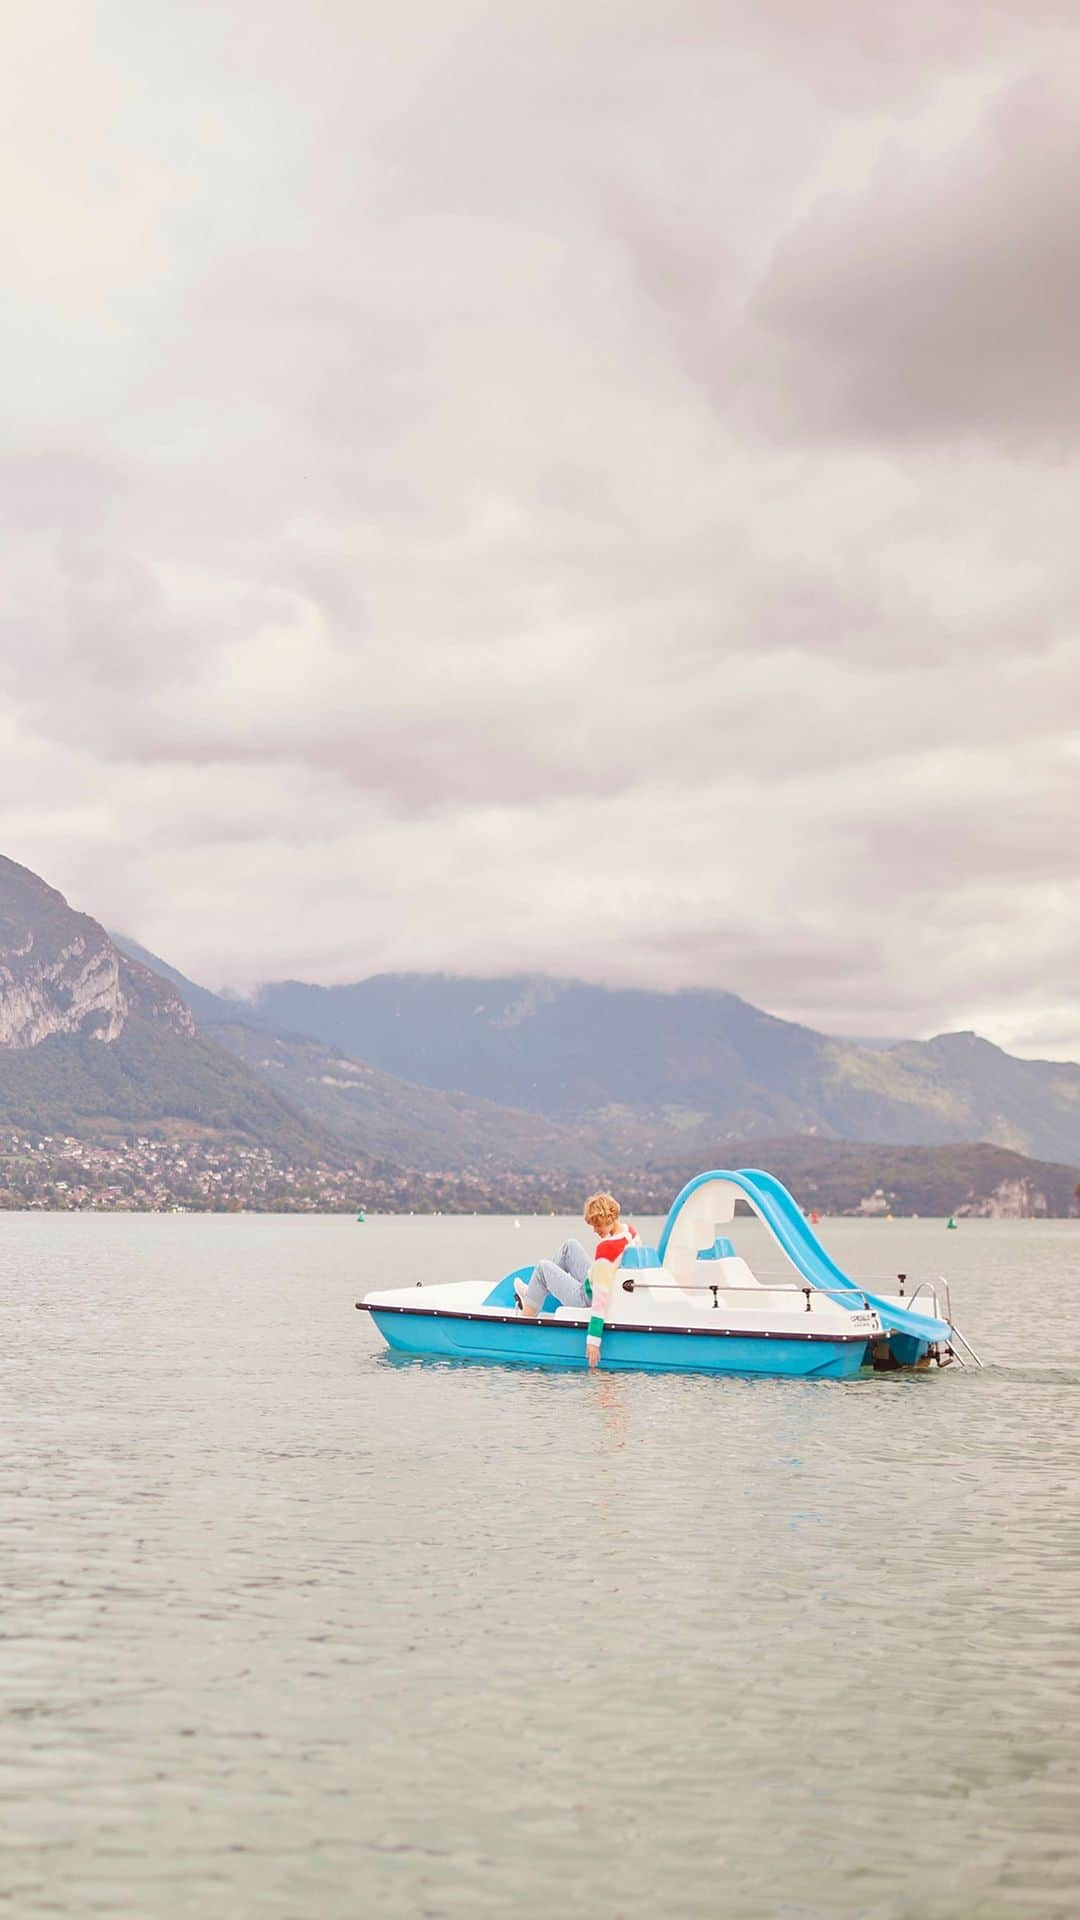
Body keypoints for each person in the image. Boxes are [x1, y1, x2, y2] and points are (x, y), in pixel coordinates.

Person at [515, 1193, 638, 1358]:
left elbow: (600, 1301)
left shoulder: (607, 1249)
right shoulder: (630, 1232)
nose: (594, 1230)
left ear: (605, 1218)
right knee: (569, 1246)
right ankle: (533, 1292)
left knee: (543, 1268)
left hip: (585, 1299)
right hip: (594, 1280)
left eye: (596, 1225)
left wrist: (593, 1342)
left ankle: (524, 1322)